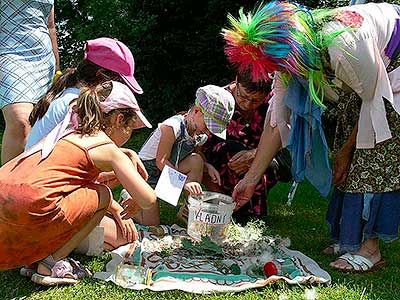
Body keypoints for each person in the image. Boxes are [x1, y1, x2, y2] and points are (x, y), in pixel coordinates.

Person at [223, 2, 400, 272]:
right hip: (369, 72)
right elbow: (277, 119)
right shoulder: (290, 56)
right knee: (350, 139)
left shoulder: (345, 46)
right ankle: (350, 239)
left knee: (374, 151)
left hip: (393, 71)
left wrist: (344, 153)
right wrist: (250, 179)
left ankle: (370, 249)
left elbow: (376, 103)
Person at [0, 81, 156, 285]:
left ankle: (37, 256)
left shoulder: (66, 132)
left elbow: (66, 182)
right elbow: (148, 198)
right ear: (119, 120)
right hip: (31, 210)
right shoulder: (105, 147)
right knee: (103, 194)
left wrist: (127, 156)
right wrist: (136, 200)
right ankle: (52, 262)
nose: (129, 135)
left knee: (91, 191)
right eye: (131, 128)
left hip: (6, 208)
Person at [129, 85, 235, 225]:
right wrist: (186, 183)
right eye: (209, 126)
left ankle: (190, 210)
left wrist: (207, 166)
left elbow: (196, 156)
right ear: (197, 111)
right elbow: (161, 161)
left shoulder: (199, 133)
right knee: (151, 223)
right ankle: (129, 197)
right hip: (146, 173)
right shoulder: (172, 126)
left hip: (168, 170)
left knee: (197, 161)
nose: (209, 133)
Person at [202, 70, 291, 219]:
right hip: (222, 160)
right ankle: (234, 209)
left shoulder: (274, 102)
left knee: (267, 165)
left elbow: (285, 135)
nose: (248, 104)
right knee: (233, 151)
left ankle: (253, 217)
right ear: (236, 81)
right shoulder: (219, 101)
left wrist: (255, 154)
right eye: (243, 96)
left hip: (261, 158)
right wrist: (217, 197)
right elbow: (200, 146)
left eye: (256, 100)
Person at [26, 37, 143, 150]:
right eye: (120, 82)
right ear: (101, 75)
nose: (121, 88)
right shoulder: (76, 106)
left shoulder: (68, 94)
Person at [0, 0, 60, 164]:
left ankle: (30, 183)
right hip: (7, 52)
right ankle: (6, 187)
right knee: (20, 120)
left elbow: (50, 26)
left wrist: (56, 65)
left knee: (39, 125)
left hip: (43, 58)